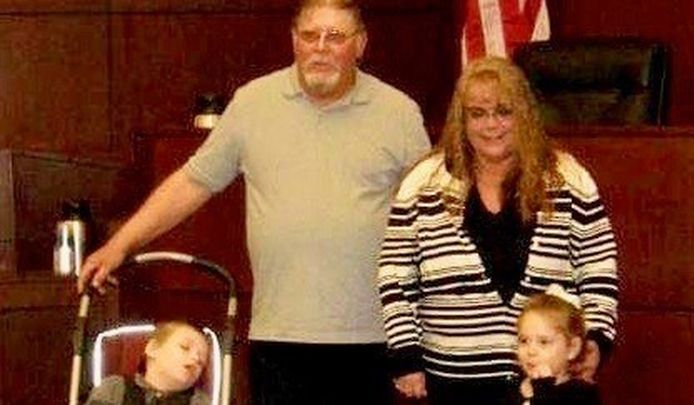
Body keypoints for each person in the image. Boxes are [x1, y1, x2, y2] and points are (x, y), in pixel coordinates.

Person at [78, 0, 430, 404]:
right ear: (294, 40)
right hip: (279, 340)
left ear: (360, 44)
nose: (320, 47)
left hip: (373, 338)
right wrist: (120, 245)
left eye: (335, 36)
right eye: (310, 35)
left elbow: (430, 213)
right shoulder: (253, 103)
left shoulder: (398, 112)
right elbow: (191, 183)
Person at [377, 56, 618, 404]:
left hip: (549, 387)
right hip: (452, 384)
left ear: (525, 115)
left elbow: (598, 267)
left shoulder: (568, 179)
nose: (491, 125)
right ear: (461, 120)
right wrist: (405, 354)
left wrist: (595, 338)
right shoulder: (423, 183)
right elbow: (395, 277)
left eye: (504, 112)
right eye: (477, 114)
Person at [85, 321, 211, 405]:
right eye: (185, 347)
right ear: (153, 349)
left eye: (201, 361)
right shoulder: (114, 388)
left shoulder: (200, 401)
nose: (195, 358)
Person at [515, 284, 602, 404]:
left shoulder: (581, 393)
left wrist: (544, 389)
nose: (531, 351)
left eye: (543, 342)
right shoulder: (514, 389)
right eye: (524, 341)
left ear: (572, 348)